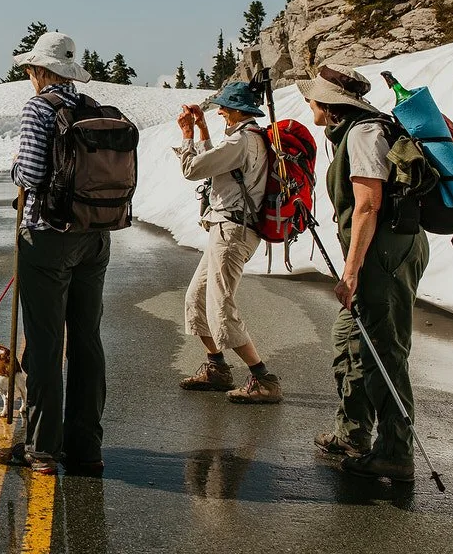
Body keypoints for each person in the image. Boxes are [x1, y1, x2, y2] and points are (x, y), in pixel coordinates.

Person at [299, 63, 430, 482]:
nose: (309, 103)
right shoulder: (363, 128)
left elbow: (368, 205)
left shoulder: (362, 134)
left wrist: (351, 272)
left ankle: (395, 452)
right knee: (349, 339)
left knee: (383, 351)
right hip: (392, 247)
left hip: (383, 255)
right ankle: (352, 432)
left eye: (313, 98)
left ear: (330, 104)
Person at [10, 31, 112, 476]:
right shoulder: (93, 109)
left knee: (48, 343)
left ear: (40, 71)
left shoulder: (39, 107)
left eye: (32, 70)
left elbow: (30, 173)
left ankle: (43, 447)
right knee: (87, 339)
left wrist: (14, 168)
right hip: (96, 235)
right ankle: (86, 445)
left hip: (47, 237)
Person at [174, 82, 282, 404]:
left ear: (237, 110)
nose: (219, 110)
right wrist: (205, 128)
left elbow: (193, 169)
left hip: (232, 233)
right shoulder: (249, 140)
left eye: (223, 107)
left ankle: (264, 378)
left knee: (220, 307)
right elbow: (218, 161)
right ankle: (217, 368)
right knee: (197, 300)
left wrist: (188, 134)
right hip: (228, 230)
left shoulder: (241, 141)